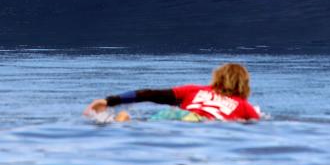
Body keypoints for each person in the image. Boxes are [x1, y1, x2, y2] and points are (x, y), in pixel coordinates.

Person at [84, 62, 262, 122]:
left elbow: (149, 94)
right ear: (244, 85)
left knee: (145, 123)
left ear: (217, 78)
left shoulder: (194, 90)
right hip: (201, 122)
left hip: (173, 114)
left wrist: (110, 101)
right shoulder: (245, 107)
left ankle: (120, 118)